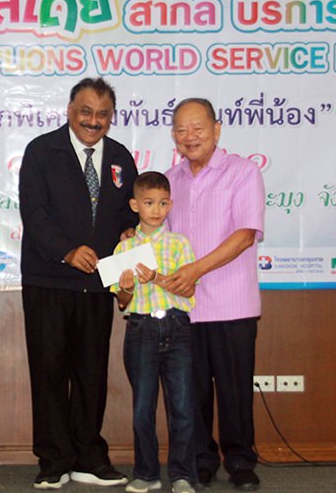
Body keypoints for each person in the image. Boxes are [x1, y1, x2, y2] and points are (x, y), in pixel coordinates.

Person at [18, 77, 138, 489]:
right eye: (86, 111)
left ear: (111, 117)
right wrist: (67, 250)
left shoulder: (121, 157)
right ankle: (53, 460)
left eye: (102, 114)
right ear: (70, 110)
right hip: (48, 279)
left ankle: (89, 456)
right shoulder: (41, 151)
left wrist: (129, 235)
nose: (93, 121)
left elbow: (129, 215)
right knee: (49, 373)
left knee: (91, 373)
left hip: (98, 284)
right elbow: (33, 214)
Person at [163, 98, 265, 491]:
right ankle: (201, 459)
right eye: (181, 130)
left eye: (198, 128)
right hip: (184, 306)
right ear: (173, 136)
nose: (190, 137)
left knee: (235, 388)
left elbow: (243, 235)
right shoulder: (169, 180)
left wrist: (195, 271)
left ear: (217, 129)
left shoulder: (242, 172)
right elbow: (161, 237)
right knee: (193, 391)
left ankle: (240, 461)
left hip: (232, 303)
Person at [110, 171, 197, 493]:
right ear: (135, 205)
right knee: (142, 407)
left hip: (177, 327)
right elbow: (121, 302)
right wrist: (126, 287)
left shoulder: (179, 243)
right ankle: (146, 473)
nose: (156, 210)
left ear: (170, 204)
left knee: (183, 407)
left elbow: (188, 290)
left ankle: (183, 474)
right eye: (149, 203)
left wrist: (158, 278)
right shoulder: (123, 249)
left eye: (162, 203)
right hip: (141, 329)